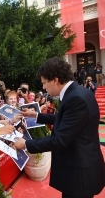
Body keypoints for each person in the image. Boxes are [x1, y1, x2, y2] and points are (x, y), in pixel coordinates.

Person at [14, 57, 105, 198]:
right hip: (79, 167)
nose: (43, 87)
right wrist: (36, 116)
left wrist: (25, 144)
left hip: (79, 175)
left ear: (55, 80)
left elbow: (59, 140)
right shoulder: (76, 92)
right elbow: (66, 121)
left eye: (44, 83)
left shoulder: (76, 98)